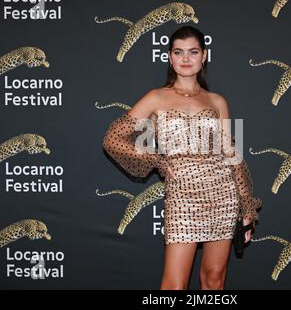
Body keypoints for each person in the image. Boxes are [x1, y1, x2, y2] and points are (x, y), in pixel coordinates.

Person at [103, 26, 261, 290]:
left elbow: (232, 154)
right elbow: (113, 139)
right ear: (169, 57)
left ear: (204, 56)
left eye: (193, 52)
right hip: (183, 196)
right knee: (174, 286)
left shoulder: (218, 101)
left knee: (214, 279)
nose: (186, 59)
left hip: (223, 194)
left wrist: (246, 206)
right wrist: (156, 159)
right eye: (179, 52)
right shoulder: (156, 97)